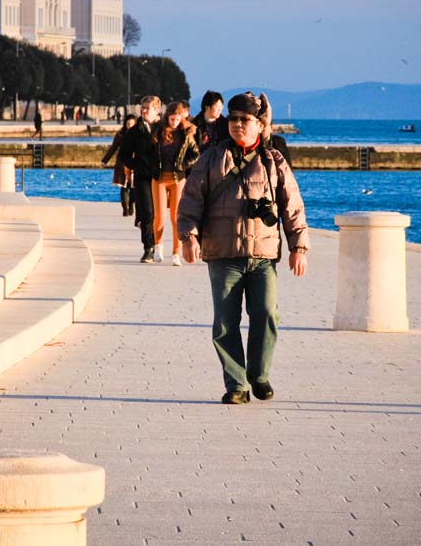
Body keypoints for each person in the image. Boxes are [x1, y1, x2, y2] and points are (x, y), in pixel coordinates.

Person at [177, 91, 309, 405]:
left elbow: (292, 206)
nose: (238, 124)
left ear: (259, 125)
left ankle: (259, 374)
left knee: (267, 314)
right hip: (223, 253)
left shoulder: (273, 160)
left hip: (263, 254)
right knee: (225, 322)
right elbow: (191, 199)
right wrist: (188, 237)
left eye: (245, 119)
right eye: (233, 118)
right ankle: (236, 384)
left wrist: (299, 247)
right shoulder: (211, 157)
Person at [152, 101, 200, 265]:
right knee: (160, 216)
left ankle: (176, 253)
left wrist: (184, 165)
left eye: (178, 119)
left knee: (176, 217)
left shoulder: (186, 133)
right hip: (159, 178)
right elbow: (147, 152)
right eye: (172, 119)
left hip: (178, 179)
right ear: (167, 117)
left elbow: (195, 153)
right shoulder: (158, 131)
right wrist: (151, 165)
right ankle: (158, 247)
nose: (175, 122)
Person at [120, 95, 163, 263]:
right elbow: (124, 154)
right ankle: (149, 248)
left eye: (147, 108)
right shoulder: (134, 131)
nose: (144, 110)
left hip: (163, 177)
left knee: (162, 214)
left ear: (157, 111)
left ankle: (165, 246)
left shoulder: (164, 129)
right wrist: (136, 165)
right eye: (142, 107)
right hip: (143, 176)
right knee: (147, 212)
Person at [102, 114, 137, 216]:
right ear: (125, 124)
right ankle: (125, 208)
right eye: (128, 124)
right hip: (122, 163)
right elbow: (113, 148)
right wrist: (104, 161)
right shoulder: (120, 135)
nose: (130, 126)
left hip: (135, 163)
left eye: (132, 124)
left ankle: (131, 203)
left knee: (134, 187)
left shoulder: (139, 135)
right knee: (124, 187)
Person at [258, 95, 292, 165]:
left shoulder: (278, 142)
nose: (261, 128)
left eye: (264, 126)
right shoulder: (250, 142)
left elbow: (287, 165)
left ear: (271, 128)